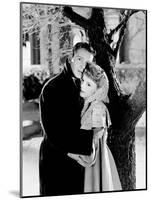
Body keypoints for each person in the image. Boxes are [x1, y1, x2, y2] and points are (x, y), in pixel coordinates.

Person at [39, 42, 99, 196]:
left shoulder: (87, 88)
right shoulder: (52, 88)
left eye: (87, 62)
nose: (83, 65)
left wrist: (90, 146)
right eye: (79, 59)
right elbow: (52, 131)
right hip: (56, 162)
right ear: (71, 58)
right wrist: (76, 152)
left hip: (79, 163)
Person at [67, 62, 122, 192]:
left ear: (98, 90)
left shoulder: (97, 107)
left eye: (89, 84)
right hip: (90, 156)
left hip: (95, 159)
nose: (82, 86)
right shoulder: (89, 105)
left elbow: (96, 138)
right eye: (83, 81)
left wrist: (72, 154)